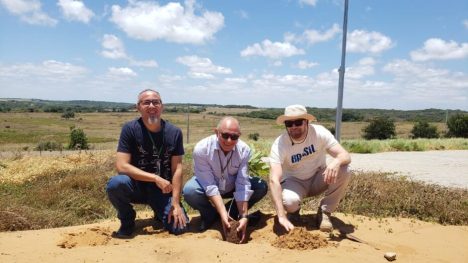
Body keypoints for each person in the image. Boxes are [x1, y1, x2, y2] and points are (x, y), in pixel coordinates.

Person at [106, 89, 189, 238]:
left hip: (163, 190)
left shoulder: (174, 132)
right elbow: (121, 166)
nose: (152, 106)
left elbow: (177, 168)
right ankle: (127, 220)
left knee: (180, 227)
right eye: (146, 102)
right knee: (116, 184)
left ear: (162, 106)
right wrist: (155, 178)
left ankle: (160, 212)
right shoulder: (130, 129)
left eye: (156, 102)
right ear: (138, 107)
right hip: (136, 186)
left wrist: (175, 203)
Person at [183, 116, 268, 242]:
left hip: (230, 186)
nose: (229, 140)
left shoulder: (244, 150)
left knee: (260, 186)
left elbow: (242, 183)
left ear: (239, 135)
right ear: (216, 132)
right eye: (225, 135)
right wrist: (222, 213)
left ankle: (231, 214)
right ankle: (210, 215)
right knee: (190, 191)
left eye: (234, 137)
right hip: (208, 186)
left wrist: (243, 215)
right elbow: (209, 186)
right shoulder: (202, 149)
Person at [268, 105, 351, 232]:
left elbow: (345, 155)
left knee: (344, 169)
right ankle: (294, 213)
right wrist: (281, 215)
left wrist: (337, 161)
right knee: (289, 201)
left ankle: (325, 212)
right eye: (289, 123)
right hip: (294, 183)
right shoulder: (280, 143)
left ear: (306, 122)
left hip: (318, 177)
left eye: (298, 122)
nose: (293, 127)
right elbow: (274, 179)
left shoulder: (319, 133)